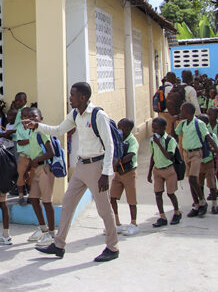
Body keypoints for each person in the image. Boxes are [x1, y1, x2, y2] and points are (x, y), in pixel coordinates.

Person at [29, 82, 119, 263]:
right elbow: (58, 130)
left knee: (104, 209)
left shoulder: (98, 115)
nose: (70, 98)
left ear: (82, 97)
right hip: (81, 166)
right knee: (68, 203)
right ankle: (59, 245)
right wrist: (36, 125)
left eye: (72, 95)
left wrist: (105, 174)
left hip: (97, 167)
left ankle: (112, 247)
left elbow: (110, 146)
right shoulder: (75, 114)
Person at [175, 102, 218, 217]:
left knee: (193, 179)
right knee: (192, 182)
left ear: (188, 112)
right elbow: (175, 134)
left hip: (197, 153)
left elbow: (209, 138)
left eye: (182, 111)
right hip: (187, 154)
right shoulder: (183, 124)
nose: (181, 113)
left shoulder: (199, 123)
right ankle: (197, 205)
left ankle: (203, 202)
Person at [23, 107, 57, 247]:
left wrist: (36, 161)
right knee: (34, 198)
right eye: (29, 116)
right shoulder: (31, 132)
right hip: (36, 169)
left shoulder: (42, 132)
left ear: (40, 119)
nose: (31, 119)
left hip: (44, 168)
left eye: (34, 116)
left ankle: (51, 233)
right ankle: (43, 228)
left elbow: (51, 152)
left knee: (47, 201)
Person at [147, 117, 182, 227]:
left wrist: (159, 144)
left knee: (170, 193)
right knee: (158, 194)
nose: (154, 131)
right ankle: (162, 216)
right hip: (158, 170)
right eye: (153, 128)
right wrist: (149, 172)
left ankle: (177, 212)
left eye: (156, 128)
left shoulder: (170, 140)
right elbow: (153, 156)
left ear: (163, 128)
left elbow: (169, 156)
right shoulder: (153, 140)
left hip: (169, 170)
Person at [110, 118, 139, 236]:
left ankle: (133, 223)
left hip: (128, 173)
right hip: (118, 174)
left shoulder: (132, 141)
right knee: (112, 197)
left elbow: (130, 155)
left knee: (131, 199)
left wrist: (118, 161)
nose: (118, 129)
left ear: (127, 129)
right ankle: (117, 223)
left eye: (120, 127)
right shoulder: (117, 139)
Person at [197, 114, 218, 215]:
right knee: (199, 184)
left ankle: (214, 204)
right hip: (199, 162)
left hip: (209, 162)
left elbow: (216, 148)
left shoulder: (211, 135)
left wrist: (212, 149)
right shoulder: (196, 135)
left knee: (211, 184)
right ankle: (202, 202)